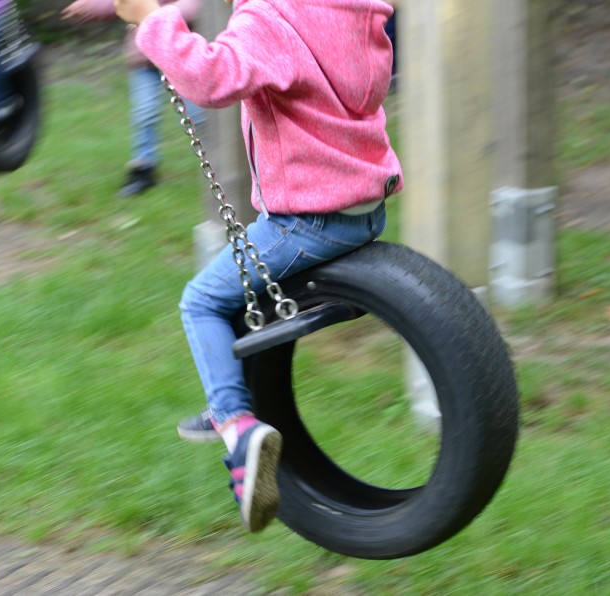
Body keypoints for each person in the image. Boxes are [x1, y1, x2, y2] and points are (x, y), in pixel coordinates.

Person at [113, 0, 402, 533]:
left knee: (201, 301)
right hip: (366, 208)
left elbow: (208, 79)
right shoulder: (356, 14)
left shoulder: (270, 20)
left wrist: (153, 23)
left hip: (308, 219)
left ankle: (236, 426)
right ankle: (233, 393)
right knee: (244, 294)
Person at [61, 0, 204, 196]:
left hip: (181, 58)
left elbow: (197, 6)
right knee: (144, 113)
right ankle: (143, 167)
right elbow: (118, 3)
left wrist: (150, 14)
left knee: (199, 115)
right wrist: (88, 7)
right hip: (145, 60)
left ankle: (221, 160)